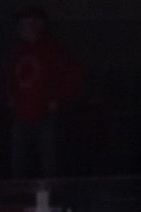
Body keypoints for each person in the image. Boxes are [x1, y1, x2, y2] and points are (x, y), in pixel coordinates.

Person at [7, 5, 83, 178]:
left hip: (45, 115)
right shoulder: (18, 50)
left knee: (50, 162)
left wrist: (58, 99)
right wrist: (11, 96)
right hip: (21, 114)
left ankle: (51, 199)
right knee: (20, 162)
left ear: (36, 24)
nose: (21, 27)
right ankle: (21, 197)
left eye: (25, 23)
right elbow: (11, 77)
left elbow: (74, 76)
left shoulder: (54, 49)